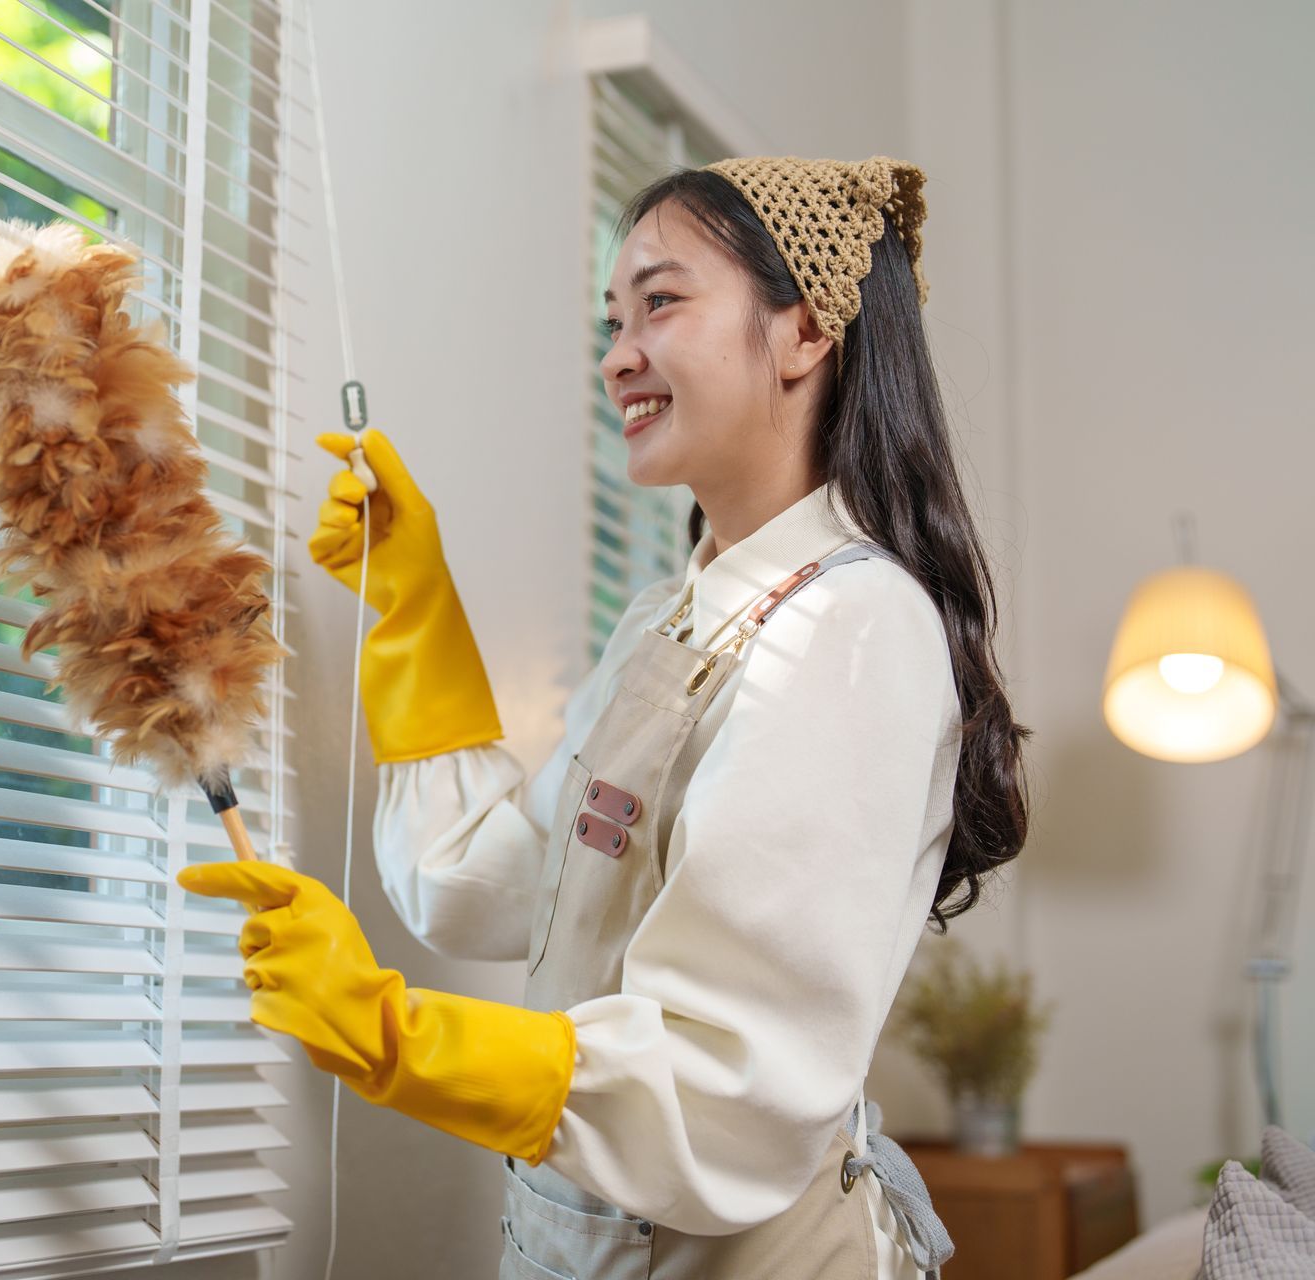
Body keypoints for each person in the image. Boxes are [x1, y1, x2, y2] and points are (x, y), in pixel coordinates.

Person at [180, 155, 1032, 1279]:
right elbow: (491, 882)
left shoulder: (856, 624)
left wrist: (397, 1035)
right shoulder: (670, 619)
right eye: (611, 318)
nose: (617, 354)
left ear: (806, 330)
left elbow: (725, 1078)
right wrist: (413, 606)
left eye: (661, 302)